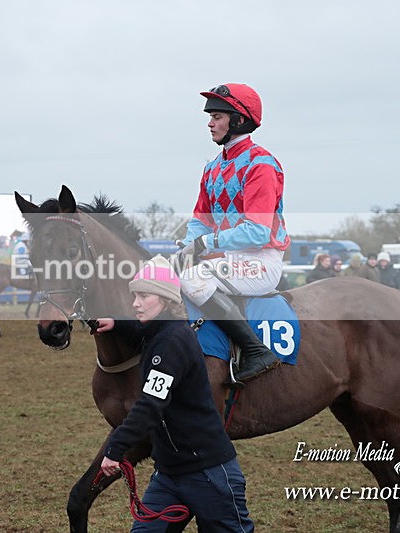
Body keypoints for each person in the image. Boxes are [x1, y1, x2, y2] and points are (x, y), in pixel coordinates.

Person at [95, 255, 255, 532]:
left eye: (144, 296)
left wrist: (116, 448)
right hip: (168, 477)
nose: (135, 303)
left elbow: (150, 405)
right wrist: (117, 323)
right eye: (134, 296)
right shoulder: (158, 330)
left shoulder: (172, 342)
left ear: (166, 300)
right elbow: (141, 330)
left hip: (210, 475)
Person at [175, 82, 287, 382]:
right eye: (210, 117)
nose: (210, 123)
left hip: (260, 261)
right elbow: (200, 220)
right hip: (226, 260)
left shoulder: (261, 165)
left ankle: (257, 351)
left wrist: (205, 243)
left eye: (217, 117)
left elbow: (257, 232)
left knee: (193, 277)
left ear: (238, 120)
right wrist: (186, 247)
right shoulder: (212, 168)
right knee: (164, 272)